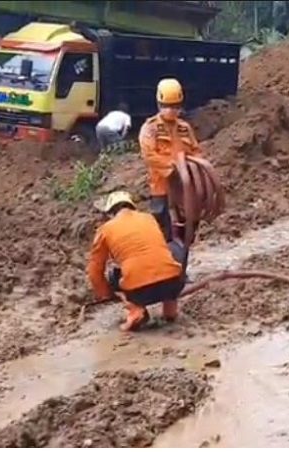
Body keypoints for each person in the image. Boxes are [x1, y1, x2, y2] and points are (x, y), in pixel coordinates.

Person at [87, 191, 188, 332]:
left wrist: (105, 294)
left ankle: (135, 311)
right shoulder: (149, 218)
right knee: (170, 255)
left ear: (110, 213)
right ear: (133, 206)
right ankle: (170, 311)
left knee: (114, 274)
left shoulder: (105, 230)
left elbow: (94, 271)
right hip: (173, 284)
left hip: (139, 292)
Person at [138, 78, 201, 241]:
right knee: (163, 228)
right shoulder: (150, 128)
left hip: (185, 188)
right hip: (161, 187)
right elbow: (149, 155)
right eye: (167, 106)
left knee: (189, 228)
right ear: (159, 105)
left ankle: (182, 260)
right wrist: (172, 168)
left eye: (175, 106)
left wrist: (191, 168)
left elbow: (196, 151)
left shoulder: (184, 128)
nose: (172, 110)